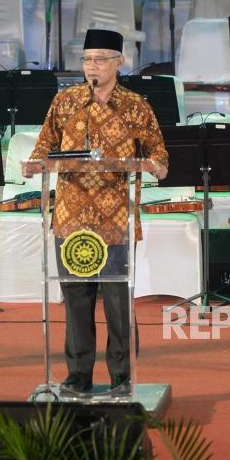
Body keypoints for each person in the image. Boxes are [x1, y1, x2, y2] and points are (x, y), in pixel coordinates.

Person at [23, 29, 168, 393]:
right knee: (75, 298)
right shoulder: (66, 101)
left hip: (114, 218)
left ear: (119, 62)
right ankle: (79, 374)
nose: (93, 66)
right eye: (87, 59)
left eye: (101, 59)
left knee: (118, 302)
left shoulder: (136, 105)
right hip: (71, 217)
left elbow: (159, 152)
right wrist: (34, 164)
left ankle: (121, 374)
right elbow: (44, 146)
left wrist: (155, 165)